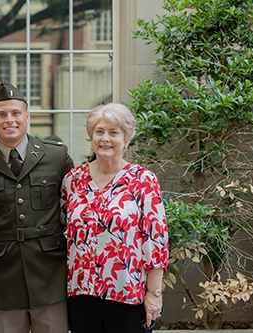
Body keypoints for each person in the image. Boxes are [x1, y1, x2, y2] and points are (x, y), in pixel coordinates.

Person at [0, 81, 74, 333]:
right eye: (1, 114)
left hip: (50, 274)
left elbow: (76, 210)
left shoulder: (57, 157)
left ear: (27, 116)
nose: (9, 120)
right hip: (4, 278)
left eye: (15, 113)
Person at [60, 103, 169, 333]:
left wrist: (154, 293)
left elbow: (155, 241)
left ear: (126, 139)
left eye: (113, 132)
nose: (105, 138)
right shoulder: (73, 180)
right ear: (91, 136)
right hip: (81, 296)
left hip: (127, 296)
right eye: (99, 131)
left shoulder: (143, 180)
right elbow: (64, 229)